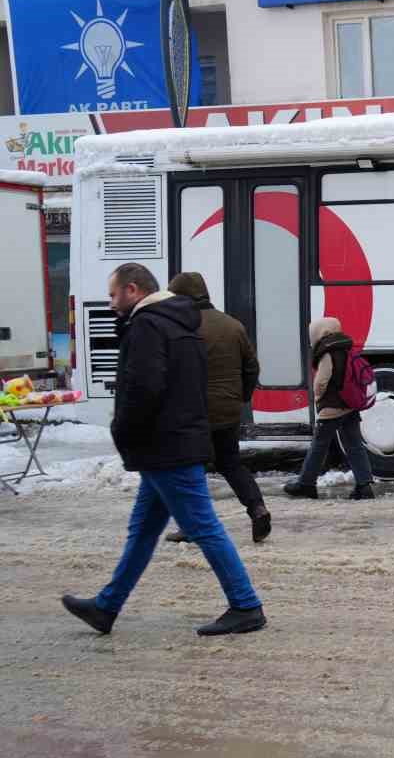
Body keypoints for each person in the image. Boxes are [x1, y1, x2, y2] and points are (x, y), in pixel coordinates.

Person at [60, 264, 267, 636]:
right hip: (175, 441)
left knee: (204, 527)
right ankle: (106, 607)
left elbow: (143, 389)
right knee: (142, 530)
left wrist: (122, 430)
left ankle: (246, 605)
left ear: (133, 290)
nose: (110, 304)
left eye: (112, 295)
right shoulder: (180, 325)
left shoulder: (147, 327)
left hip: (165, 445)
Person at [163, 272, 271, 544]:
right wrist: (240, 397)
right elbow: (252, 367)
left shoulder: (183, 328)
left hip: (194, 412)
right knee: (231, 463)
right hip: (228, 410)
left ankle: (191, 526)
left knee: (190, 468)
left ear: (182, 299)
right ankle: (258, 508)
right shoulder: (233, 325)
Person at [282, 316, 375, 500]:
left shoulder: (327, 353)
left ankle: (306, 484)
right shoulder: (347, 349)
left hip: (332, 407)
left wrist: (317, 396)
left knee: (319, 445)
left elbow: (322, 380)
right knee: (354, 445)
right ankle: (365, 486)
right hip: (349, 406)